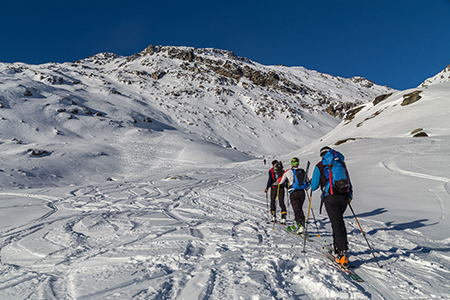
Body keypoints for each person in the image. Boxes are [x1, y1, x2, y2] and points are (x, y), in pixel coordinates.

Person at [311, 146, 353, 267]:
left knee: (336, 223)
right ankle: (339, 248)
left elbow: (313, 186)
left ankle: (341, 253)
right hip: (344, 196)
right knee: (339, 221)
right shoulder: (341, 163)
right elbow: (348, 180)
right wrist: (350, 195)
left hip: (330, 197)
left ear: (321, 155)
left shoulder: (321, 165)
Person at [278, 157, 310, 234]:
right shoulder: (303, 172)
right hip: (302, 193)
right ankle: (302, 224)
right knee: (300, 208)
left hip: (293, 193)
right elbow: (308, 185)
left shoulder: (288, 171)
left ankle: (300, 225)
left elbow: (280, 182)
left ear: (292, 164)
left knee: (296, 210)